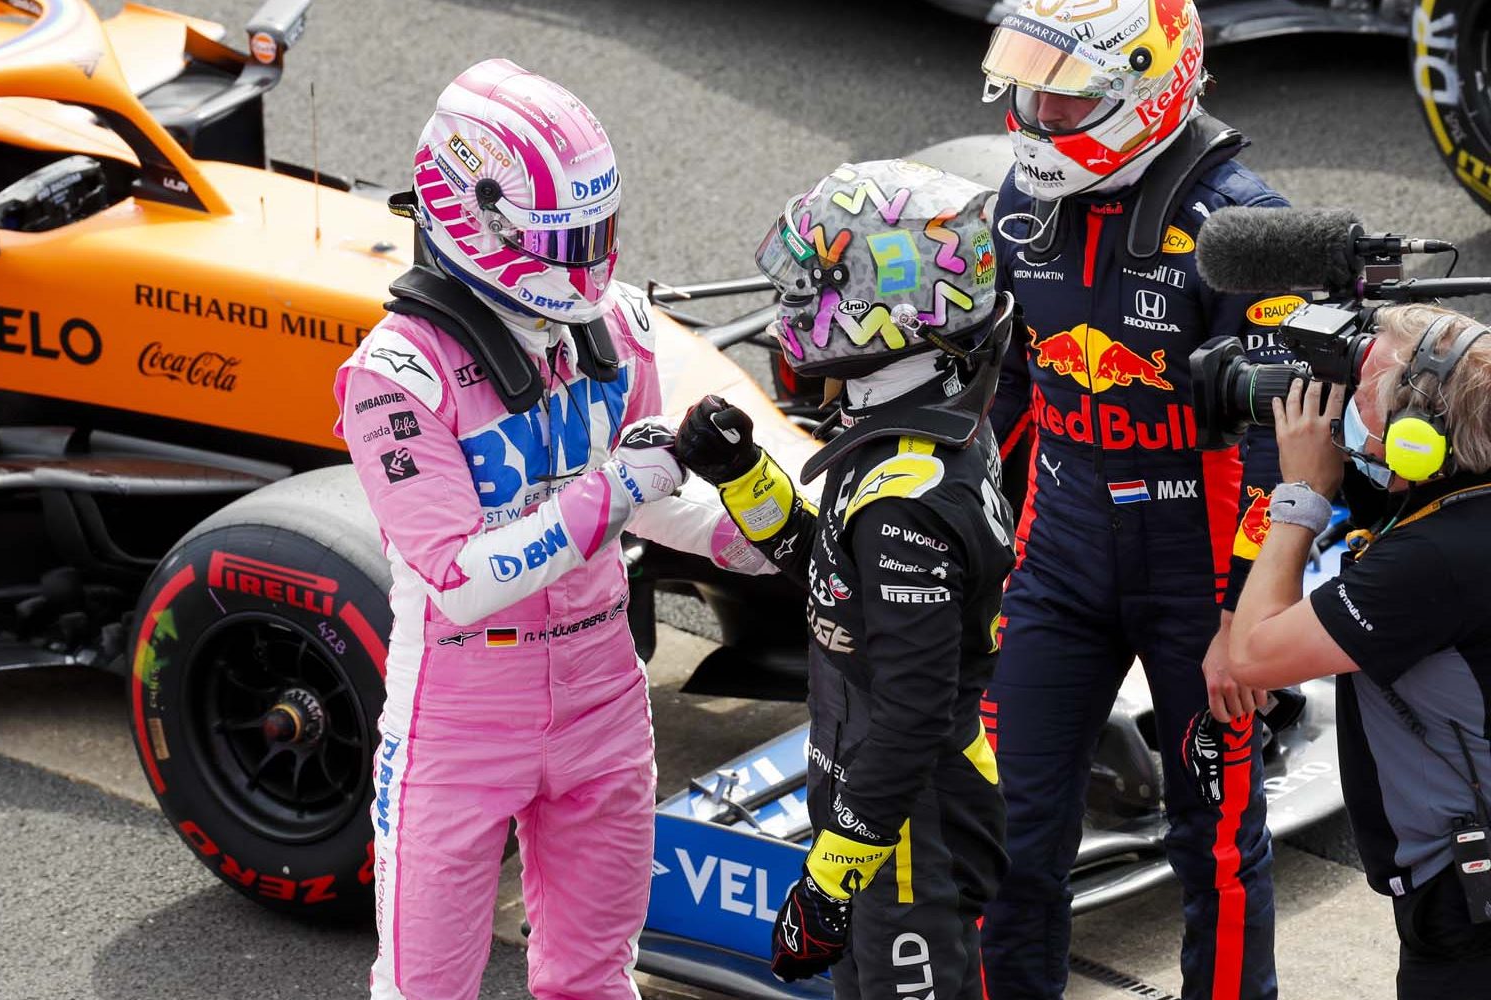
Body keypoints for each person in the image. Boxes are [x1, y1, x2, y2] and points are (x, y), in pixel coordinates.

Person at [333, 59, 771, 1000]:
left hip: (604, 693)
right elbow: (461, 575)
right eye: (563, 238)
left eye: (594, 233)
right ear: (475, 212)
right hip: (457, 712)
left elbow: (652, 499)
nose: (585, 261)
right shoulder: (393, 375)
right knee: (424, 989)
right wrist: (614, 489)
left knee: (595, 980)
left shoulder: (621, 328)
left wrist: (749, 538)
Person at [975, 1, 1289, 997]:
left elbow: (1293, 451)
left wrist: (1252, 616)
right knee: (1004, 833)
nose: (1036, 108)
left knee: (1220, 847)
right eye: (1027, 79)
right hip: (1058, 565)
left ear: (1146, 88)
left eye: (1064, 86)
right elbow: (1006, 399)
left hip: (1203, 588)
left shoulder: (1249, 231)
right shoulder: (1017, 208)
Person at [673, 159, 1017, 998]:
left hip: (906, 837)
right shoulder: (912, 426)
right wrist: (743, 474)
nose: (793, 308)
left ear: (888, 314)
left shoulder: (909, 493)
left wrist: (826, 888)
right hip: (881, 813)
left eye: (819, 286)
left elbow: (910, 715)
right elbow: (833, 582)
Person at [1230, 303, 1491, 996]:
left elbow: (1252, 655)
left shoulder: (1433, 564)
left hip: (1469, 917)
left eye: (1358, 392)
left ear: (1416, 438)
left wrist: (1302, 493)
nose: (1338, 412)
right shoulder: (1463, 515)